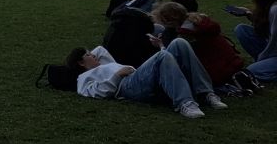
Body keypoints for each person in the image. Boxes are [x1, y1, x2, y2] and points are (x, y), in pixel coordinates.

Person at [66, 39, 225, 118]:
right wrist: (117, 75)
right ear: (81, 63)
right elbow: (98, 93)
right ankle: (185, 103)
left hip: (137, 76)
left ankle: (206, 93)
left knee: (179, 43)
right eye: (89, 55)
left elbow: (100, 50)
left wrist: (161, 46)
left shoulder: (103, 64)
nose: (94, 55)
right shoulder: (83, 78)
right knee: (161, 56)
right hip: (126, 86)